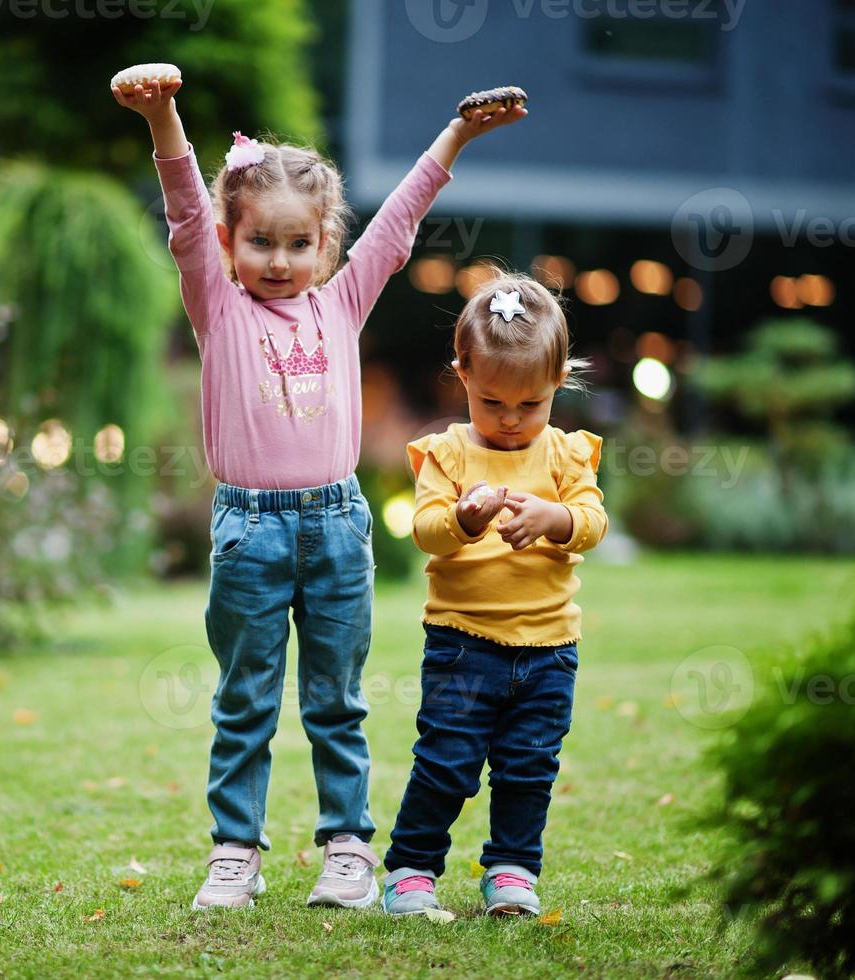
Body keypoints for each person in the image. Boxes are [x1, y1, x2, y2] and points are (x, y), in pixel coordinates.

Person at [112, 70, 527, 909]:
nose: (278, 260)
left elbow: (399, 224)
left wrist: (454, 138)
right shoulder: (218, 311)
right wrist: (163, 117)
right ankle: (236, 853)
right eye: (259, 242)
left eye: (298, 244)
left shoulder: (340, 306)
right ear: (231, 245)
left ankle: (347, 849)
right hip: (249, 533)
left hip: (337, 528)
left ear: (325, 247)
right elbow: (188, 213)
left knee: (336, 701)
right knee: (244, 702)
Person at [381, 269, 607, 918]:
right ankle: (411, 868)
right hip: (462, 643)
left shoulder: (566, 456)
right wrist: (465, 519)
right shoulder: (448, 455)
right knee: (446, 761)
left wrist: (552, 518)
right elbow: (427, 532)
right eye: (491, 403)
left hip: (548, 650)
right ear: (462, 376)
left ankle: (511, 867)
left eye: (529, 405)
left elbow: (591, 523)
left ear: (557, 383)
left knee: (527, 767)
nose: (509, 422)